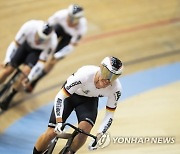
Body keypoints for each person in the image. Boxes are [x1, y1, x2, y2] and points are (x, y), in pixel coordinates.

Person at [33, 56, 123, 154]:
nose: (107, 80)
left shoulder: (116, 89)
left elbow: (110, 114)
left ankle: (69, 152)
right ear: (100, 68)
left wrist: (100, 134)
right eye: (107, 74)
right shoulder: (84, 74)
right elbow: (60, 97)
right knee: (51, 132)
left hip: (89, 101)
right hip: (70, 95)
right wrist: (59, 121)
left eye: (113, 77)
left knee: (84, 131)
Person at [25, 4, 87, 92]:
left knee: (52, 61)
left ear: (79, 19)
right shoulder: (60, 15)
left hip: (68, 38)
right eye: (69, 17)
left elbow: (71, 46)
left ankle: (35, 80)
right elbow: (46, 28)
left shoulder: (81, 27)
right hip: (58, 29)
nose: (70, 20)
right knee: (43, 47)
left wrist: (57, 55)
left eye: (73, 19)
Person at [0, 19, 58, 110]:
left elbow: (41, 63)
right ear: (36, 31)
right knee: (7, 69)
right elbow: (15, 44)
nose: (39, 40)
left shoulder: (52, 42)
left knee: (25, 73)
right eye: (39, 36)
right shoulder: (29, 26)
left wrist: (30, 77)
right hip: (25, 46)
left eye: (43, 39)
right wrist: (7, 59)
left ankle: (10, 96)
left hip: (35, 53)